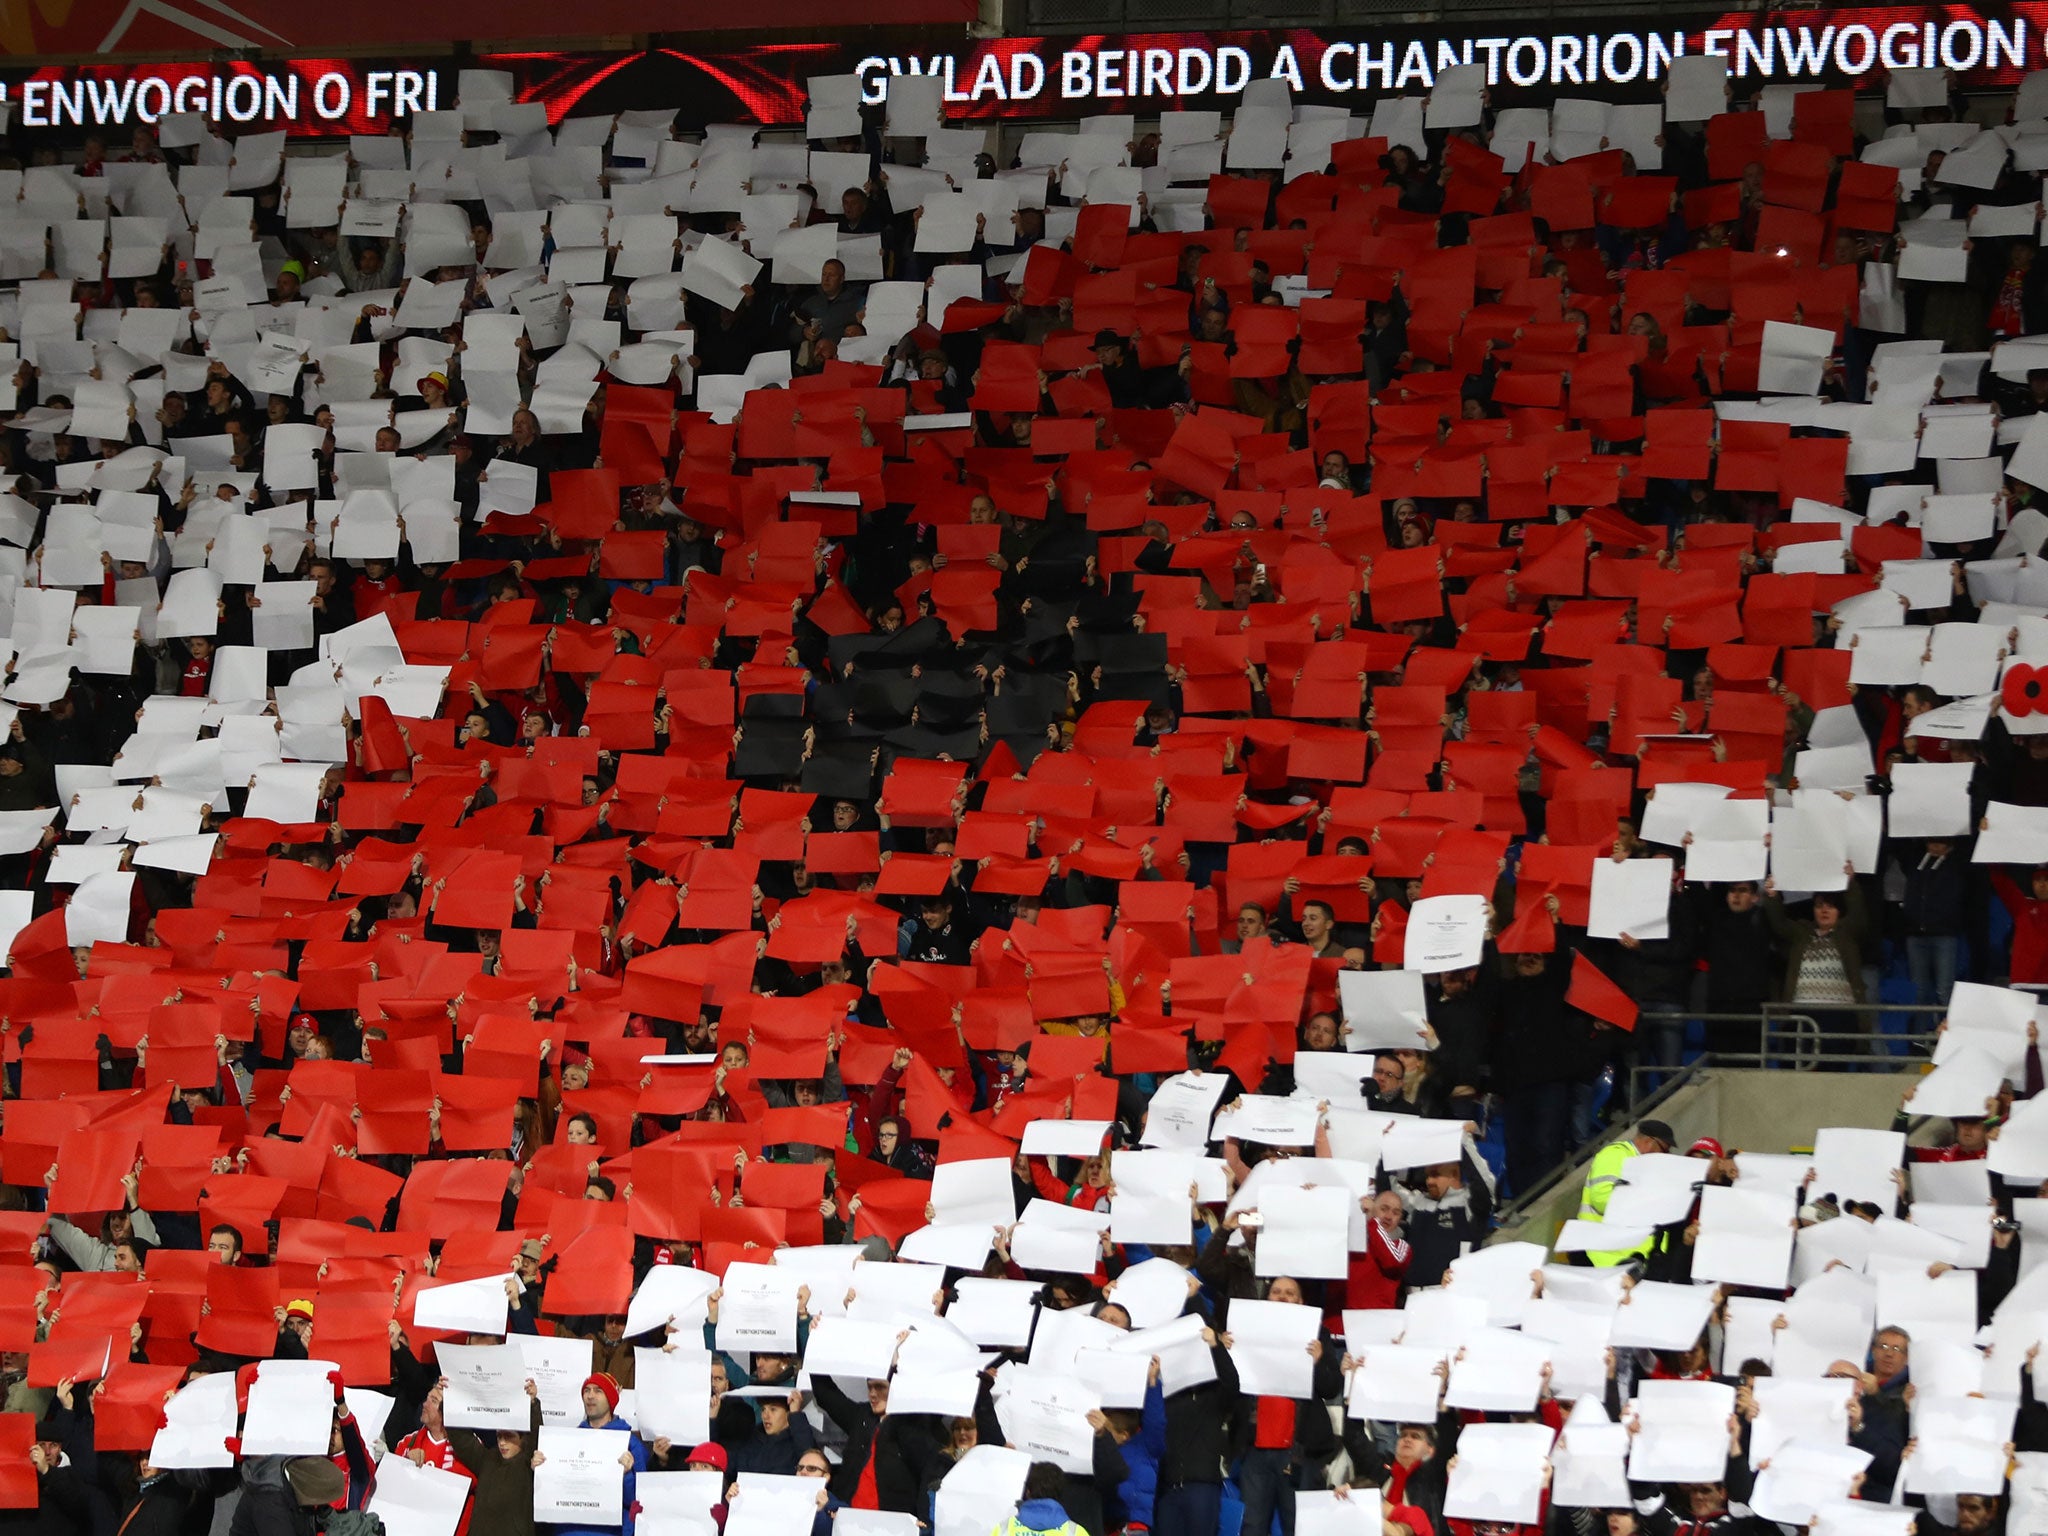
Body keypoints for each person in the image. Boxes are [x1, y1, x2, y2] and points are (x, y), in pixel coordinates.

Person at [1576, 1119, 1675, 1266]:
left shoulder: (1647, 1167)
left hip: (1634, 1257)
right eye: (1663, 1149)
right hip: (1606, 1256)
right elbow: (1601, 1200)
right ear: (1649, 1142)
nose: (1665, 1155)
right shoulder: (1615, 1155)